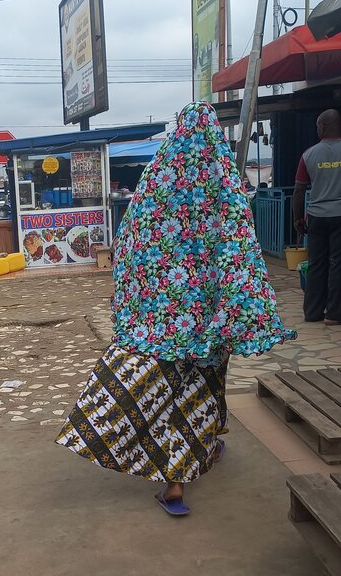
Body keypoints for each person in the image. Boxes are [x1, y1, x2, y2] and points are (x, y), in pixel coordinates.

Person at [57, 102, 296, 517]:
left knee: (165, 395)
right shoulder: (225, 184)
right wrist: (235, 311)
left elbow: (131, 246)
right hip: (207, 319)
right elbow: (242, 252)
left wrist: (134, 304)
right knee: (198, 395)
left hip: (161, 322)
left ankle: (169, 465)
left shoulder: (155, 180)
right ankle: (179, 479)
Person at [293, 108, 341, 325]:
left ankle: (312, 313)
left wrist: (297, 219)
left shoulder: (308, 155)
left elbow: (299, 190)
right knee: (337, 264)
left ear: (323, 127)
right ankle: (334, 314)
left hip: (316, 216)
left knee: (316, 263)